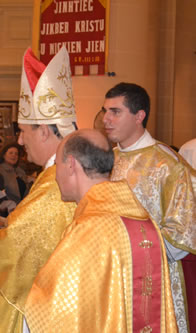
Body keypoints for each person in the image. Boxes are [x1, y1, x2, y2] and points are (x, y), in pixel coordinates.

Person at [0, 46, 77, 333]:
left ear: (44, 131)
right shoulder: (58, 174)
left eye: (23, 131)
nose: (19, 141)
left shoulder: (57, 181)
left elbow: (20, 246)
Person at [24, 129, 177, 332]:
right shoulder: (142, 220)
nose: (55, 174)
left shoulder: (88, 228)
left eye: (56, 165)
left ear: (70, 164)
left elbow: (55, 311)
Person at [102, 82, 196, 332]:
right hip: (109, 276)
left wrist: (130, 248)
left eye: (115, 111)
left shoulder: (168, 164)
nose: (106, 119)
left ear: (139, 115)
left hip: (154, 281)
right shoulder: (106, 160)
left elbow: (182, 232)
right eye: (105, 111)